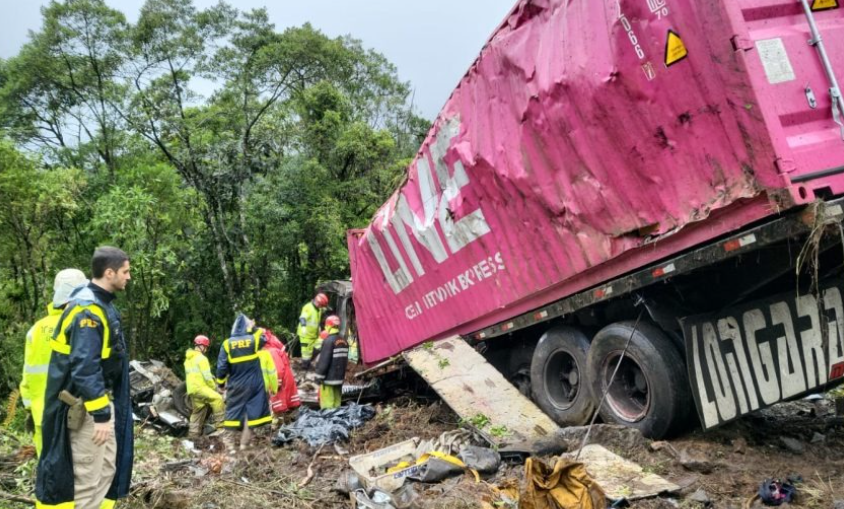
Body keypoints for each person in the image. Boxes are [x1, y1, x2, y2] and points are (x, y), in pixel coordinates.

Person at [36, 246, 133, 509]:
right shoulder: (88, 310)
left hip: (102, 404)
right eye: (125, 272)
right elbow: (84, 367)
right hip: (88, 411)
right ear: (109, 272)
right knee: (87, 479)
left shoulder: (101, 304)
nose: (129, 277)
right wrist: (101, 414)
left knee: (106, 469)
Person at [20, 268, 88, 457]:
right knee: (77, 472)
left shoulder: (36, 329)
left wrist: (29, 407)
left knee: (48, 468)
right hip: (76, 413)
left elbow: (27, 376)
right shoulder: (84, 323)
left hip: (43, 413)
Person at [216, 314, 273, 451]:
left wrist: (221, 383)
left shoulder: (227, 344)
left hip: (237, 384)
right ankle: (244, 444)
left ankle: (229, 445)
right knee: (252, 413)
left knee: (232, 411)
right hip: (255, 384)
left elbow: (222, 367)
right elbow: (265, 338)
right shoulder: (253, 340)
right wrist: (253, 328)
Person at [184, 335, 225, 439]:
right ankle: (221, 427)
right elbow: (207, 377)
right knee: (218, 399)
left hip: (192, 390)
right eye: (206, 347)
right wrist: (214, 387)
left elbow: (195, 375)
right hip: (200, 388)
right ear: (201, 346)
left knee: (197, 412)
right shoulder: (202, 359)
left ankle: (192, 436)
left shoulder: (188, 359)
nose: (206, 349)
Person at [261, 330, 300, 422]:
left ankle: (279, 423)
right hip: (284, 379)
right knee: (286, 405)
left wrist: (277, 381)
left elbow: (277, 368)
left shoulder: (271, 351)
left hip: (280, 380)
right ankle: (286, 421)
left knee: (280, 405)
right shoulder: (273, 349)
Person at [314, 315, 348, 410]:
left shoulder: (328, 341)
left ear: (328, 326)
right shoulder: (344, 341)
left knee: (327, 408)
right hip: (339, 379)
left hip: (328, 381)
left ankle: (328, 423)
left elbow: (324, 361)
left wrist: (318, 377)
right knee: (337, 406)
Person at [297, 293, 328, 369]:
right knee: (306, 353)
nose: (321, 307)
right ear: (317, 302)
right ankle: (305, 366)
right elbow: (302, 318)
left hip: (314, 334)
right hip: (305, 335)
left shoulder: (319, 309)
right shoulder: (308, 307)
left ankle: (308, 362)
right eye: (321, 305)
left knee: (318, 346)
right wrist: (304, 327)